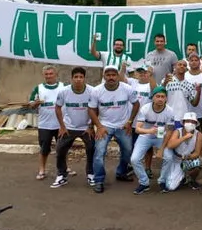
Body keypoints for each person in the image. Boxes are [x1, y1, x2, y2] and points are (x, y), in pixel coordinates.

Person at [87, 65, 140, 194]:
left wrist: (129, 121)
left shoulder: (127, 89)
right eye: (108, 75)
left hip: (123, 126)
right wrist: (99, 126)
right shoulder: (96, 91)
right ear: (104, 76)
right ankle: (99, 180)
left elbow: (136, 104)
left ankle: (121, 172)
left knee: (128, 150)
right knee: (99, 153)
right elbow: (91, 110)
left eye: (113, 75)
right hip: (105, 126)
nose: (111, 77)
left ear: (117, 76)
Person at [53, 66, 94, 188]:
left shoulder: (92, 91)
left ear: (84, 78)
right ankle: (62, 175)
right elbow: (57, 107)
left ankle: (91, 174)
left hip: (86, 127)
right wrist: (62, 126)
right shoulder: (64, 91)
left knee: (92, 149)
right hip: (69, 127)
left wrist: (91, 126)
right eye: (76, 77)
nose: (78, 79)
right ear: (71, 78)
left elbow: (96, 109)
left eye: (81, 77)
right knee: (60, 150)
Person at [130, 86, 176, 194]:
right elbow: (137, 129)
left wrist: (161, 149)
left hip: (161, 137)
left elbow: (169, 131)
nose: (160, 99)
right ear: (153, 98)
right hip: (145, 136)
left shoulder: (170, 111)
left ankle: (162, 181)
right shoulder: (145, 108)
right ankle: (144, 182)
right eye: (158, 96)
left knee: (169, 157)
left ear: (166, 99)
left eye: (163, 97)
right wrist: (149, 131)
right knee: (134, 159)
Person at [28, 65, 67, 181]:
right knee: (44, 149)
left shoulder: (63, 87)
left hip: (61, 125)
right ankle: (42, 170)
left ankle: (65, 168)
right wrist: (35, 103)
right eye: (46, 74)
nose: (49, 76)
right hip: (44, 125)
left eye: (51, 74)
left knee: (63, 148)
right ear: (43, 75)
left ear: (56, 74)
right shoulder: (38, 88)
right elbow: (30, 104)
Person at [165, 112, 202, 191]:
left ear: (196, 124)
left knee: (197, 163)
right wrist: (184, 137)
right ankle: (183, 178)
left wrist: (187, 157)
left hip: (188, 159)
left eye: (193, 122)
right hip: (176, 159)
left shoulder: (198, 134)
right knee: (170, 187)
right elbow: (170, 145)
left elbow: (197, 153)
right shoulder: (177, 132)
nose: (190, 123)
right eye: (187, 121)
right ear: (183, 123)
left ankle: (191, 179)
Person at [163, 60, 201, 130]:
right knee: (166, 139)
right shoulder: (167, 80)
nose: (182, 66)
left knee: (180, 139)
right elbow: (159, 96)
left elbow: (194, 103)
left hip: (183, 118)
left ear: (186, 69)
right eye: (180, 64)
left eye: (184, 65)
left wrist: (199, 92)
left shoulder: (189, 85)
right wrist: (164, 84)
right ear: (175, 67)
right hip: (168, 117)